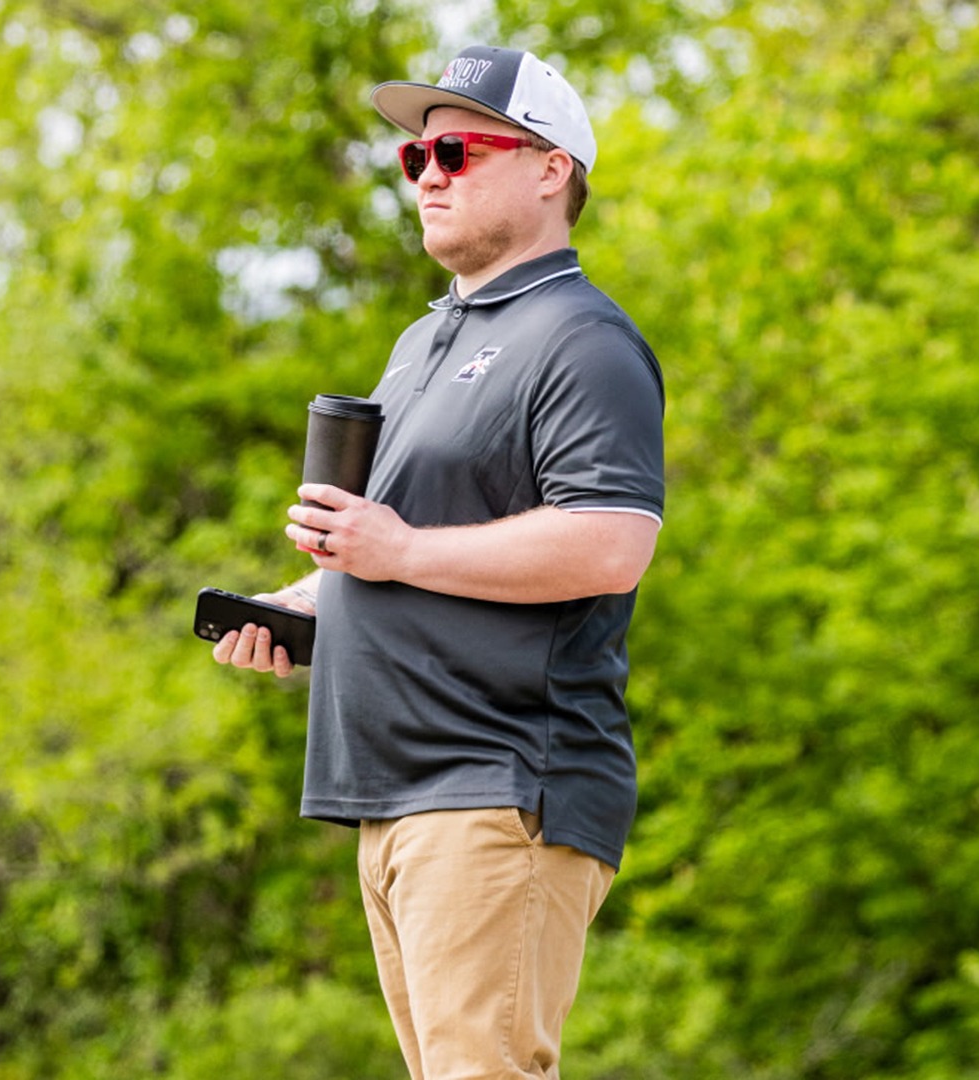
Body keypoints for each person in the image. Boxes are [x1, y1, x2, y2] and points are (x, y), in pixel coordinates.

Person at [211, 42, 664, 1079]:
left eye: (455, 150)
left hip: (499, 783)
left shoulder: (581, 340)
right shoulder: (424, 344)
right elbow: (403, 552)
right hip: (396, 795)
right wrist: (309, 601)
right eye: (415, 159)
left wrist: (399, 548)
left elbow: (612, 543)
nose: (427, 176)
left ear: (552, 169)